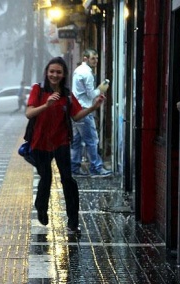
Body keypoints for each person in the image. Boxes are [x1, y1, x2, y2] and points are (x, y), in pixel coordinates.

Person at [26, 56, 106, 233]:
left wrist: (94, 107)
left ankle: (73, 220)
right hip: (40, 143)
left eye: (58, 72)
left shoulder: (67, 95)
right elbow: (29, 113)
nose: (54, 75)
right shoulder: (38, 90)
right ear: (47, 72)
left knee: (68, 180)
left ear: (64, 75)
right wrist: (47, 105)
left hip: (61, 142)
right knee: (45, 178)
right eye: (52, 71)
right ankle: (41, 207)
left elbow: (76, 116)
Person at [71, 49, 112, 178]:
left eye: (97, 58)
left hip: (76, 110)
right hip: (85, 110)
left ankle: (75, 167)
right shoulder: (87, 74)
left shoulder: (78, 70)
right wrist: (101, 89)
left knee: (77, 140)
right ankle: (96, 167)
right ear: (85, 58)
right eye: (93, 58)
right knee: (92, 140)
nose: (96, 61)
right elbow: (90, 94)